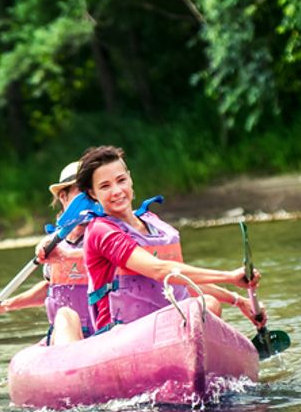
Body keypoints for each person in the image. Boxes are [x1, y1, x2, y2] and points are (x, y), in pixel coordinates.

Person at [52, 145, 264, 345]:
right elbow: (158, 270)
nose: (117, 191)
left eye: (121, 180)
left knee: (208, 304)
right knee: (200, 307)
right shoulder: (101, 230)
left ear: (130, 179)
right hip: (120, 339)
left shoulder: (153, 223)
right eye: (105, 186)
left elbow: (178, 278)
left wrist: (238, 301)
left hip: (163, 328)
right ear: (92, 194)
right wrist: (229, 277)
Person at [0, 161, 93, 341]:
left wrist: (66, 257)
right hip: (70, 334)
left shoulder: (105, 232)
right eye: (82, 191)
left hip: (103, 333)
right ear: (63, 197)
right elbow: (51, 288)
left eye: (93, 191)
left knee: (64, 317)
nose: (90, 198)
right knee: (64, 317)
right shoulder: (55, 244)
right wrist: (5, 305)